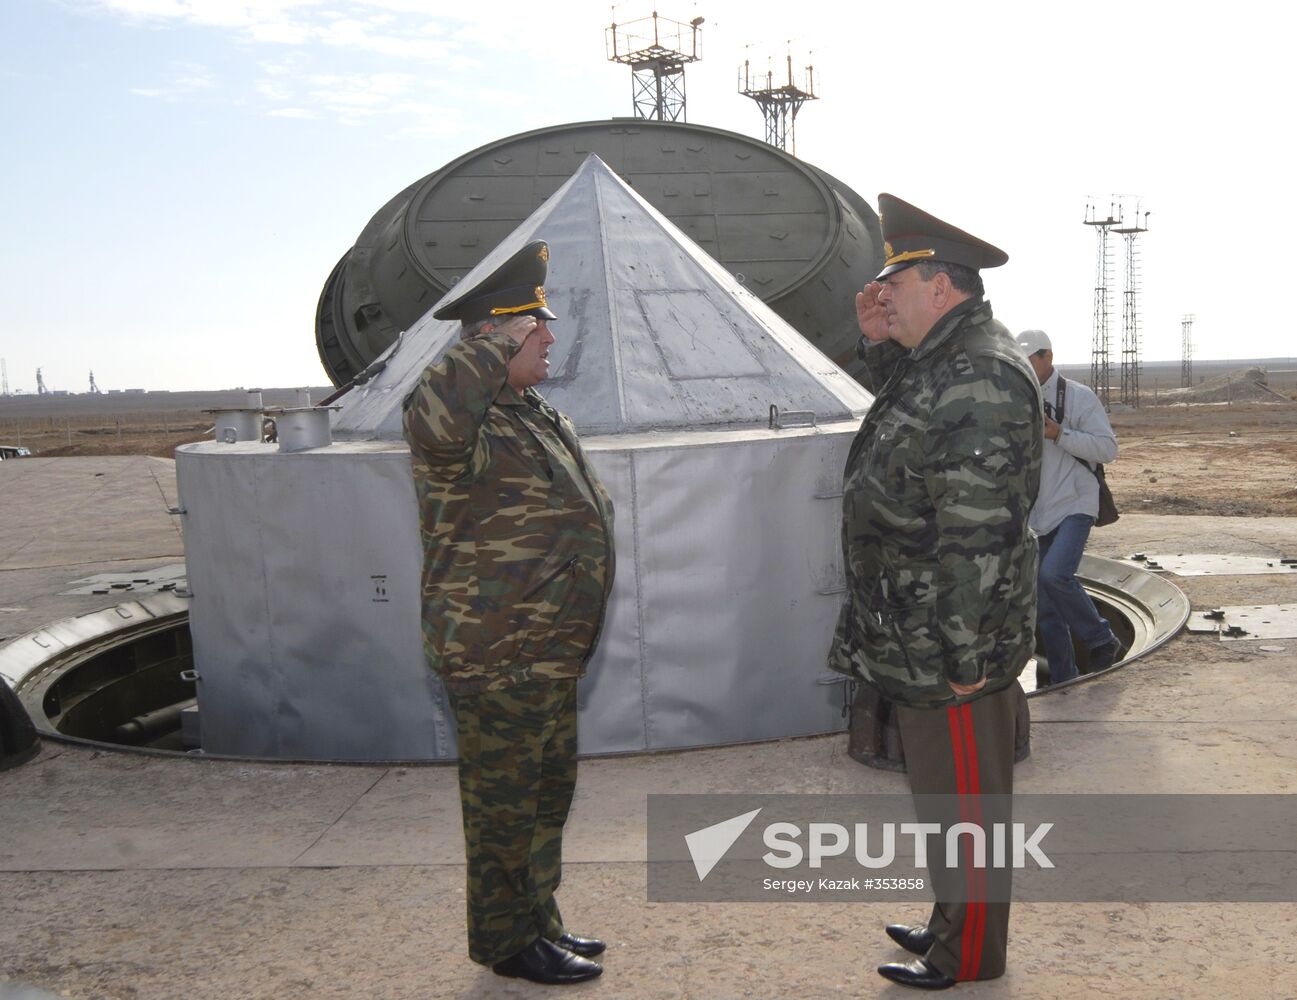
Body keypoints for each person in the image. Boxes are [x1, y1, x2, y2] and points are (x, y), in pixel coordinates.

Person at [828, 194, 1043, 990]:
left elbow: (977, 532)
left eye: (897, 284)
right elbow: (907, 424)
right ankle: (954, 920)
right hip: (918, 629)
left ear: (941, 286)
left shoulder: (979, 371)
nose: (882, 295)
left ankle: (969, 954)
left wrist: (963, 653)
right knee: (947, 804)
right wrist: (876, 338)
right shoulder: (942, 359)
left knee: (968, 808)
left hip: (950, 642)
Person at [402, 240, 615, 986]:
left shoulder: (528, 415)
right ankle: (503, 940)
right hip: (497, 655)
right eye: (537, 327)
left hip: (545, 652)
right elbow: (430, 411)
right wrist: (493, 338)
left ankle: (537, 922)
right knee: (502, 811)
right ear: (499, 336)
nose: (550, 338)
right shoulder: (457, 423)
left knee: (543, 799)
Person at [1014, 330, 1123, 684]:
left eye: (1029, 360)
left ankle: (1102, 638)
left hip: (1077, 502)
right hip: (1040, 515)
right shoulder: (1018, 402)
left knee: (1054, 574)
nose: (1025, 368)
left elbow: (1107, 449)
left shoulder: (1079, 397)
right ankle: (1064, 680)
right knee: (1046, 608)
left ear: (1047, 357)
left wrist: (1059, 433)